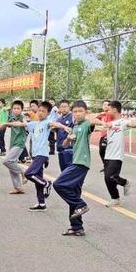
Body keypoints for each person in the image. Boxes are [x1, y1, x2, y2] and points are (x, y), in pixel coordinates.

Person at [3, 101, 71, 212]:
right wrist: (7, 124)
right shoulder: (34, 124)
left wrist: (64, 127)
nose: (40, 113)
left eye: (43, 111)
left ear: (48, 113)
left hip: (42, 154)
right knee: (37, 179)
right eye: (39, 110)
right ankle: (41, 203)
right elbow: (21, 124)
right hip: (35, 154)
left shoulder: (47, 122)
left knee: (29, 174)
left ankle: (46, 183)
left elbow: (55, 124)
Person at [54, 101, 105, 236]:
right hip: (75, 161)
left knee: (58, 184)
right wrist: (68, 138)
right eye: (75, 112)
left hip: (81, 163)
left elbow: (94, 121)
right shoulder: (75, 126)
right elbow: (65, 144)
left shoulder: (86, 124)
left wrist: (102, 123)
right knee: (73, 192)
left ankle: (80, 204)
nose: (77, 114)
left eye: (80, 111)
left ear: (86, 112)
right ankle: (77, 227)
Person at [103, 101, 136, 207]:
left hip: (117, 155)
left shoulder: (122, 121)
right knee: (107, 179)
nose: (107, 111)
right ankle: (115, 199)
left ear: (115, 109)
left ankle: (125, 182)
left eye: (109, 109)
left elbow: (131, 124)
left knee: (111, 176)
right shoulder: (110, 123)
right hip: (108, 154)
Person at [1, 100, 28, 194]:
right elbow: (4, 126)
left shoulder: (22, 117)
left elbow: (24, 124)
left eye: (18, 108)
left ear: (21, 110)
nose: (16, 110)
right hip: (12, 143)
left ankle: (23, 172)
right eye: (14, 108)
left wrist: (8, 124)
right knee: (11, 163)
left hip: (20, 143)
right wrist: (1, 126)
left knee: (7, 161)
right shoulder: (11, 117)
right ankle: (18, 188)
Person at [55, 99, 74, 172]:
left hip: (69, 148)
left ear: (69, 107)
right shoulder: (59, 119)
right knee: (63, 171)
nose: (63, 108)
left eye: (65, 106)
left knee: (69, 171)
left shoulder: (72, 117)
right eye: (62, 107)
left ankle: (77, 182)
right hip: (60, 148)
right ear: (59, 108)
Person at [96, 100, 112, 171]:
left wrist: (101, 128)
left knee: (104, 150)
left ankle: (108, 167)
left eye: (107, 104)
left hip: (109, 136)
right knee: (101, 151)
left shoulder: (110, 114)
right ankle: (106, 166)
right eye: (104, 104)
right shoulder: (102, 115)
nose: (105, 106)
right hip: (103, 136)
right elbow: (93, 119)